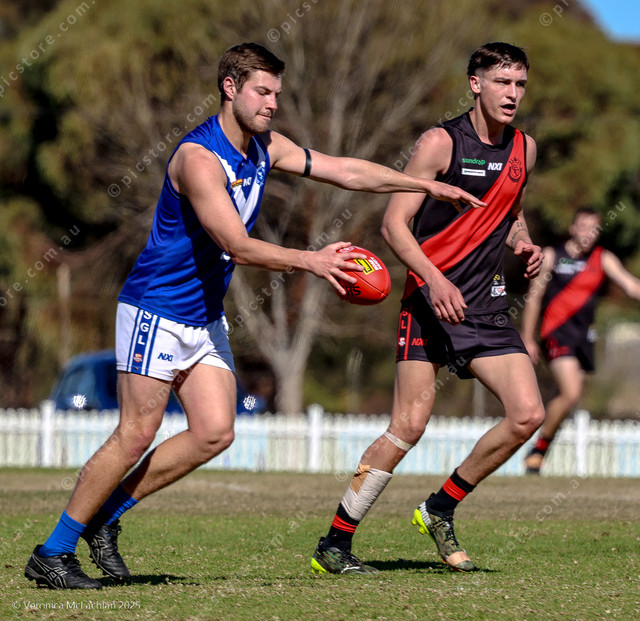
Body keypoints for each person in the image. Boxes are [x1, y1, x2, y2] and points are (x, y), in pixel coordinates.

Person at [24, 42, 484, 590]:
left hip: (202, 316)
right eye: (262, 92)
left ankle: (105, 516)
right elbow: (236, 245)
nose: (272, 104)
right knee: (136, 432)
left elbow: (343, 171)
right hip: (156, 309)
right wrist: (312, 261)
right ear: (230, 88)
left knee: (215, 432)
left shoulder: (266, 146)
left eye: (276, 94)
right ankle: (53, 551)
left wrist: (423, 184)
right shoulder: (198, 158)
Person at [311, 42, 544, 575]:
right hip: (428, 300)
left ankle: (439, 508)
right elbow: (394, 224)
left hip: (484, 305)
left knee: (527, 414)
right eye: (502, 82)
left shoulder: (525, 148)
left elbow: (511, 212)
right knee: (408, 426)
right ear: (475, 84)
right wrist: (435, 280)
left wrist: (525, 243)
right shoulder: (441, 142)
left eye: (520, 84)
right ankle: (335, 544)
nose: (512, 93)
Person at [522, 207, 640, 474]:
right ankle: (538, 450)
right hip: (556, 333)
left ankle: (538, 451)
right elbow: (534, 298)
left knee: (567, 397)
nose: (588, 233)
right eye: (584, 227)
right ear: (573, 228)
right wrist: (527, 338)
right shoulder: (552, 256)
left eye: (594, 228)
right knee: (571, 391)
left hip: (584, 337)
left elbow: (631, 286)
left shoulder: (603, 258)